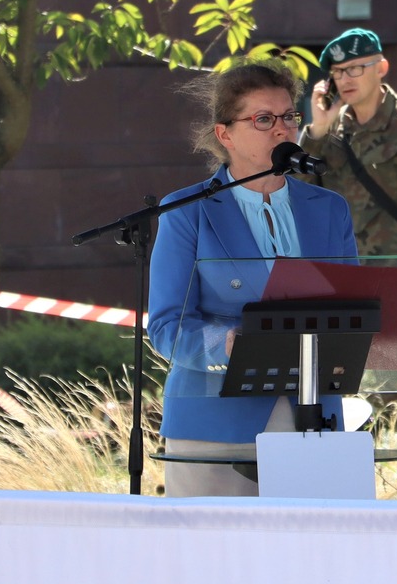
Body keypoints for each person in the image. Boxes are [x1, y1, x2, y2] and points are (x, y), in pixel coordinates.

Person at [148, 60, 357, 498]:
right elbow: (167, 327)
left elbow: (353, 308)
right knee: (213, 544)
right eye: (263, 119)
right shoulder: (185, 212)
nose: (282, 129)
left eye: (289, 116)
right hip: (214, 422)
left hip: (313, 416)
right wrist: (224, 344)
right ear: (225, 134)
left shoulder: (329, 208)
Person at [302, 28, 397, 258]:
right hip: (340, 269)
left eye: (354, 68)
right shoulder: (330, 128)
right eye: (338, 72)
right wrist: (317, 131)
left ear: (381, 68)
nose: (345, 79)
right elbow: (301, 196)